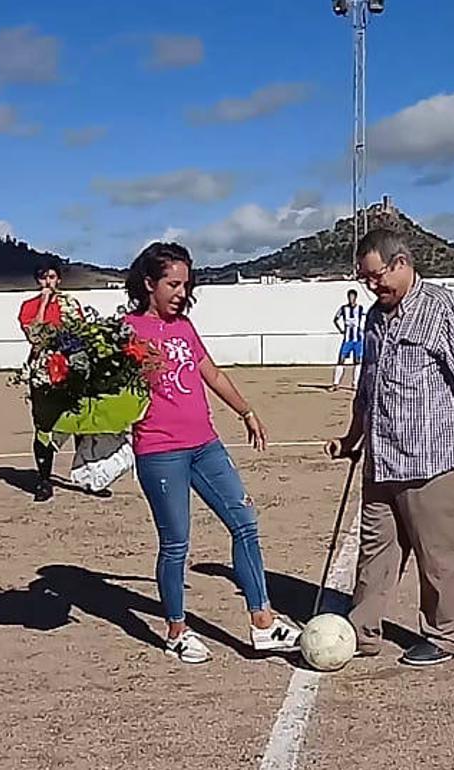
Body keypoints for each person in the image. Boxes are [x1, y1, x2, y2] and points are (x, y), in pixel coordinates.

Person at [325, 229, 454, 667]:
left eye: (376, 277)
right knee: (375, 550)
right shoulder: (375, 318)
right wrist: (352, 438)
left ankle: (445, 635)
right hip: (383, 456)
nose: (372, 286)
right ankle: (362, 630)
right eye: (365, 279)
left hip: (435, 456)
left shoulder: (441, 308)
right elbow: (368, 388)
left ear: (402, 263)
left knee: (438, 553)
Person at [124, 241, 301, 664]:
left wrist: (246, 411)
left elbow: (212, 374)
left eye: (186, 284)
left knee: (244, 522)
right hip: (160, 451)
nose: (181, 292)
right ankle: (176, 630)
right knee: (176, 544)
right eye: (173, 284)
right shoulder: (127, 331)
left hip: (205, 445)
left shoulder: (184, 327)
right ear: (150, 283)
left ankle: (263, 622)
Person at [17, 256, 122, 502]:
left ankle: (87, 477)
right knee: (45, 425)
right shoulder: (29, 306)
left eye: (52, 277)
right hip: (44, 372)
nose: (48, 282)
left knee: (81, 421)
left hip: (72, 369)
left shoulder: (70, 305)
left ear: (59, 279)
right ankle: (44, 480)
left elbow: (83, 334)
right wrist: (43, 302)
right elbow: (35, 336)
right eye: (43, 277)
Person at [330, 289, 366, 391]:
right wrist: (341, 330)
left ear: (355, 297)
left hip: (358, 339)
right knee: (341, 360)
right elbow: (335, 319)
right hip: (347, 339)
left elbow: (366, 318)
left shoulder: (360, 308)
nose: (351, 299)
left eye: (352, 297)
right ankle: (336, 383)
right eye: (349, 297)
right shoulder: (343, 308)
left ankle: (355, 384)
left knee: (357, 361)